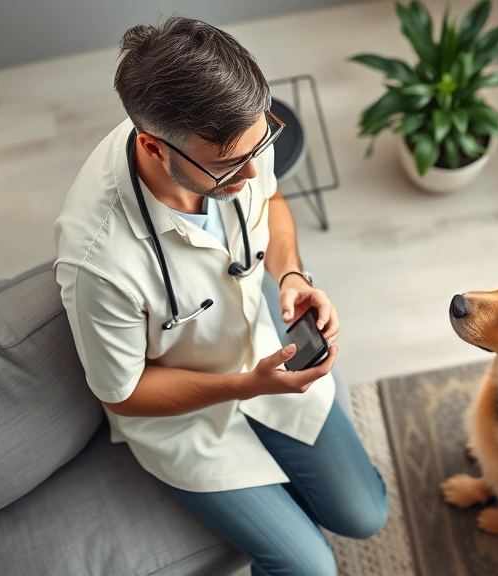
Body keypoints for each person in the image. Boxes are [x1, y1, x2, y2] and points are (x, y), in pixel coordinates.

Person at [53, 16, 387, 576]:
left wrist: (292, 277)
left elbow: (273, 205)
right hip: (185, 418)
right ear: (154, 149)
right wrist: (248, 385)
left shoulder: (241, 136)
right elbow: (122, 392)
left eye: (262, 145)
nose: (254, 170)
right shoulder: (98, 263)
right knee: (312, 569)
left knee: (364, 516)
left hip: (261, 336)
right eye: (232, 166)